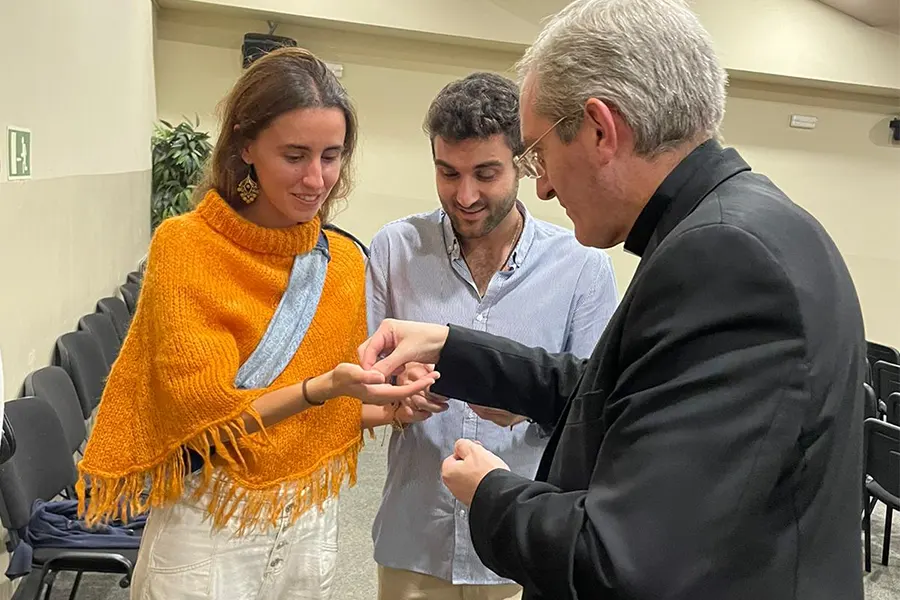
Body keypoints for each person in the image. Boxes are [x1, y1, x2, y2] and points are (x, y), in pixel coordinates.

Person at [359, 1, 867, 598]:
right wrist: (454, 346)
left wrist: (493, 492)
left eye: (538, 155)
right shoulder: (744, 224)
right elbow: (619, 393)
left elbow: (621, 560)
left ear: (601, 130)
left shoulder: (722, 255)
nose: (543, 185)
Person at [77, 47, 436, 600]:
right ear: (245, 145)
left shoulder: (340, 264)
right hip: (209, 522)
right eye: (294, 155)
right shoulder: (187, 246)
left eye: (331, 156)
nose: (316, 179)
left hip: (309, 524)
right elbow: (203, 414)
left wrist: (389, 407)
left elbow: (324, 414)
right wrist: (323, 387)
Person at [367, 73, 618, 600]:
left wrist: (525, 402)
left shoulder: (581, 267)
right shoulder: (394, 249)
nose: (466, 195)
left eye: (486, 173)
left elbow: (597, 411)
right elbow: (357, 395)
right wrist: (395, 396)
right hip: (414, 537)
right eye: (447, 172)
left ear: (524, 163)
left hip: (518, 548)